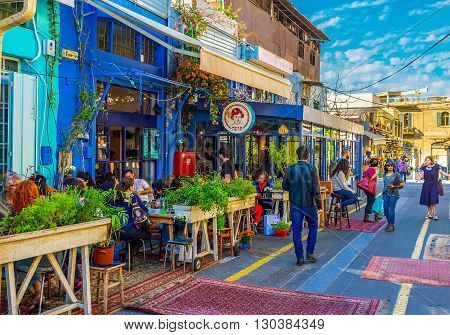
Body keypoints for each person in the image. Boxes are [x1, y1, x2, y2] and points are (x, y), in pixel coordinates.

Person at [282, 146, 321, 266]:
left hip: (295, 204)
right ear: (308, 155)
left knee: (297, 231)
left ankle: (299, 257)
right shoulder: (312, 169)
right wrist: (319, 204)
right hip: (310, 204)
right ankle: (310, 252)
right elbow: (316, 189)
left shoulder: (290, 169)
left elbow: (285, 186)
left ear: (297, 155)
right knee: (313, 226)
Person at [114, 178, 152, 262]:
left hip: (115, 230)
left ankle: (125, 251)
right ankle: (128, 251)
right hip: (128, 229)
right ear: (130, 187)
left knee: (134, 234)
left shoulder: (116, 196)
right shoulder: (133, 196)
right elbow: (144, 208)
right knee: (147, 234)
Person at [418, 156, 448, 220]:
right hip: (426, 185)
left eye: (428, 160)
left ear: (431, 161)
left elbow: (443, 173)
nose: (427, 161)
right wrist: (420, 176)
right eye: (426, 160)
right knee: (428, 200)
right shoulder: (424, 168)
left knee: (433, 200)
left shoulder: (436, 167)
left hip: (434, 185)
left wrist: (447, 175)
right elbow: (421, 177)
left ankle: (434, 214)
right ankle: (429, 214)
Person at [383, 160, 404, 232]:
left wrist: (394, 185)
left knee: (391, 210)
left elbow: (402, 184)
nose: (390, 167)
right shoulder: (384, 174)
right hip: (386, 193)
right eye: (388, 165)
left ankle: (391, 224)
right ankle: (389, 222)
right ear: (386, 166)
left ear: (394, 166)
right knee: (385, 210)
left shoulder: (396, 174)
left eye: (392, 165)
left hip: (394, 194)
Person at [362, 158, 380, 222]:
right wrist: (376, 173)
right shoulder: (375, 170)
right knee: (370, 202)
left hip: (366, 187)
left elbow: (364, 177)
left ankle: (376, 215)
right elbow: (372, 178)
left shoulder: (367, 169)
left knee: (373, 200)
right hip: (371, 188)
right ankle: (366, 216)